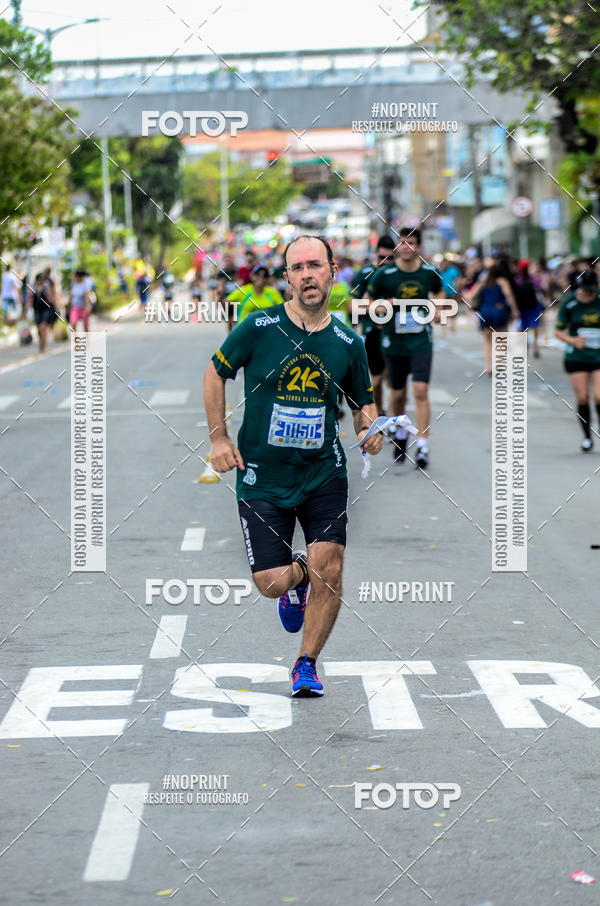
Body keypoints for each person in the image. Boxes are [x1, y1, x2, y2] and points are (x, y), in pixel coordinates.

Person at [204, 235, 381, 697]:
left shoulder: (348, 342)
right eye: (297, 268)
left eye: (314, 265)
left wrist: (371, 428)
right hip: (263, 473)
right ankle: (297, 578)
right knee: (271, 581)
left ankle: (306, 663)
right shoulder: (258, 326)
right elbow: (215, 373)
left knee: (333, 563)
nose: (307, 274)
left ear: (332, 271)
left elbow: (363, 401)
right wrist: (219, 437)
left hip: (323, 470)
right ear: (287, 278)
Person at [367, 227, 446, 469]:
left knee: (421, 391)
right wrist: (382, 306)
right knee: (398, 393)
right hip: (393, 341)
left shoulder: (429, 273)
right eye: (402, 242)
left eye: (411, 242)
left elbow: (441, 294)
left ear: (419, 247)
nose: (406, 247)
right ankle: (401, 433)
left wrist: (437, 308)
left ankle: (422, 445)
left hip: (421, 340)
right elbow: (367, 304)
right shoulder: (385, 275)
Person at [555, 270, 600, 452]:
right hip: (577, 357)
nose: (590, 294)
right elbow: (558, 331)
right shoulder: (570, 303)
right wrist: (573, 340)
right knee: (583, 397)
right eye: (586, 290)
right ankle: (587, 437)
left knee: (599, 396)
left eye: (592, 290)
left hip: (598, 356)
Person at [351, 236, 395, 415]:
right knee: (376, 382)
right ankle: (380, 412)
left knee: (394, 381)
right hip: (372, 333)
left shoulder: (398, 275)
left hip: (395, 334)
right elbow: (354, 304)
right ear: (375, 255)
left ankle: (393, 417)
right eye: (381, 258)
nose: (385, 262)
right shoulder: (365, 273)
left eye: (390, 258)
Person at [466, 263, 519, 375]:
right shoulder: (502, 282)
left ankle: (488, 366)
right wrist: (514, 310)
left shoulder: (483, 282)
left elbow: (470, 296)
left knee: (487, 340)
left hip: (485, 311)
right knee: (501, 338)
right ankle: (498, 363)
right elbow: (509, 295)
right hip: (498, 310)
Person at [514, 259, 545, 358]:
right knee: (535, 325)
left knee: (523, 327)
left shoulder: (518, 280)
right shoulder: (534, 279)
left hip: (522, 307)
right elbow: (542, 289)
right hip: (534, 306)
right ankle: (536, 346)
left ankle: (525, 347)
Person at [27, 273, 57, 352]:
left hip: (45, 309)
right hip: (37, 310)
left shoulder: (46, 287)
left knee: (43, 327)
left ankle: (43, 347)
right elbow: (29, 299)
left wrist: (47, 292)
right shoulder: (33, 287)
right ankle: (41, 344)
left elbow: (51, 299)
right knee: (38, 329)